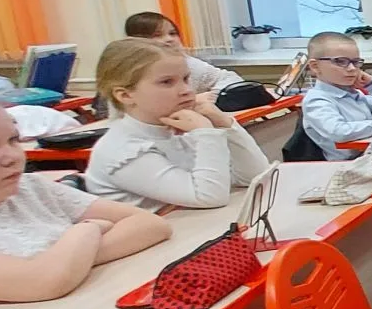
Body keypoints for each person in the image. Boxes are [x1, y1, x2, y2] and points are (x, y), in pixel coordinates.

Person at [0, 97, 171, 301]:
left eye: (13, 140)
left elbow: (151, 224)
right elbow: (42, 282)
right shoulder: (84, 225)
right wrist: (88, 229)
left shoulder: (32, 187)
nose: (11, 157)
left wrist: (70, 263)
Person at [86, 39, 271, 210]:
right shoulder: (122, 150)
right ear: (125, 95)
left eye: (186, 79)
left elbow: (255, 176)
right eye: (167, 82)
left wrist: (225, 124)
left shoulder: (179, 128)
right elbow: (209, 197)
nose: (187, 90)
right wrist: (206, 134)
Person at [301, 32, 372, 161]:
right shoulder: (316, 100)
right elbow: (339, 132)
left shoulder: (354, 95)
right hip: (346, 166)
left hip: (371, 158)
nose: (352, 68)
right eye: (341, 61)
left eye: (356, 62)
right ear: (315, 66)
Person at [124, 11, 245, 95]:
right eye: (157, 35)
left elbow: (231, 79)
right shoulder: (131, 71)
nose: (169, 39)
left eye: (172, 33)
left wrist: (211, 96)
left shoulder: (188, 63)